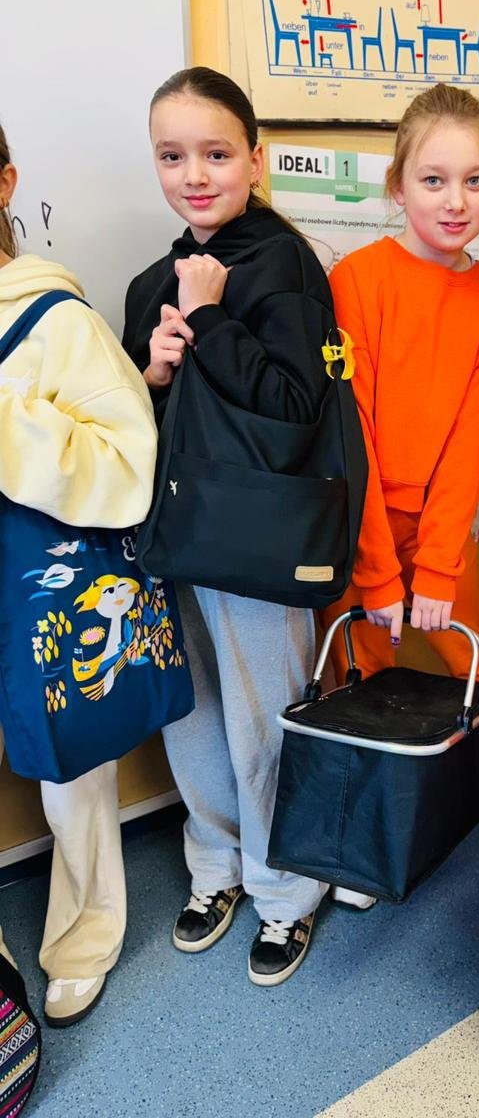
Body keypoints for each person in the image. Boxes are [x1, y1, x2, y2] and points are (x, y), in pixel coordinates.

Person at [122, 68, 333, 986]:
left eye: (216, 153)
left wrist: (211, 319)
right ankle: (215, 865)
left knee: (267, 718)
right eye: (173, 156)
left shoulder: (286, 265)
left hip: (257, 544)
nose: (195, 175)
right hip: (173, 539)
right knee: (193, 711)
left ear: (255, 157)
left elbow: (294, 407)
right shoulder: (150, 281)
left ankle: (287, 889)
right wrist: (153, 373)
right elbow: (130, 426)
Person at [321, 84, 479, 892]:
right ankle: (354, 834)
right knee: (353, 667)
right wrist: (380, 572)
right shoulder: (357, 279)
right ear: (397, 186)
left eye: (475, 181)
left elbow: (471, 444)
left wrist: (437, 567)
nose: (456, 201)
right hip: (357, 520)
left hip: (441, 524)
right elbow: (352, 432)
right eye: (434, 179)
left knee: (477, 662)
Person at [0, 122, 158, 1026]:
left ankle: (85, 936)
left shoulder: (58, 319)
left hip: (36, 582)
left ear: (6, 182)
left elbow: (128, 462)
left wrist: (10, 423)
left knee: (71, 767)